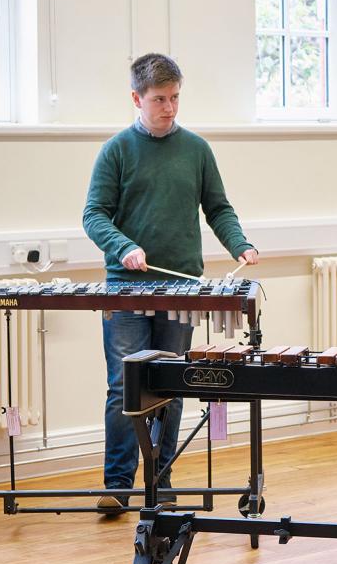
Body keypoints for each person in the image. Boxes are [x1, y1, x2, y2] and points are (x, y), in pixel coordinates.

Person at [82, 54, 260, 514]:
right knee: (125, 387)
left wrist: (240, 244)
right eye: (160, 99)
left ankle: (160, 480)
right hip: (126, 288)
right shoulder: (117, 150)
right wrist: (124, 247)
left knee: (171, 385)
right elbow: (93, 215)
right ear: (137, 98)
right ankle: (117, 485)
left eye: (175, 98)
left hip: (181, 290)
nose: (170, 108)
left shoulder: (196, 149)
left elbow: (218, 208)